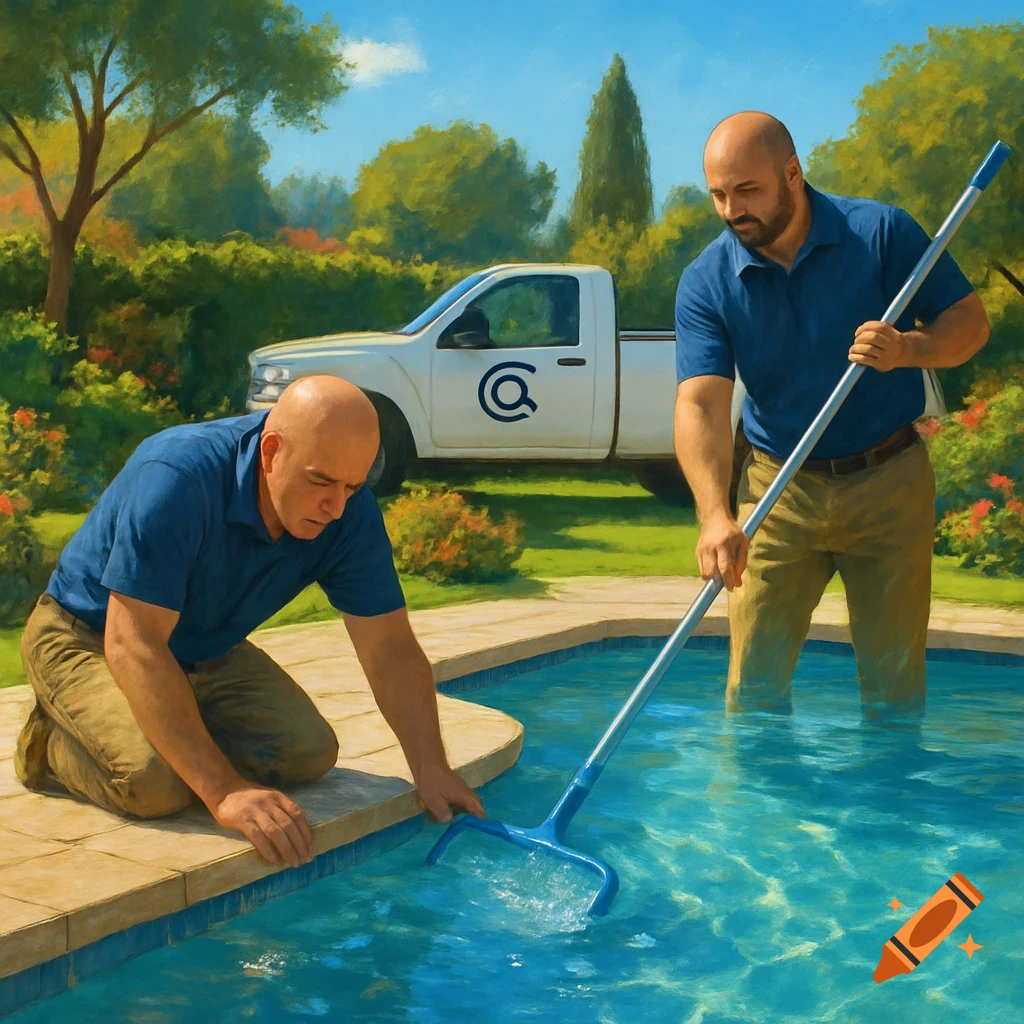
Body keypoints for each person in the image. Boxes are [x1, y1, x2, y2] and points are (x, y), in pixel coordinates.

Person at [14, 376, 484, 868]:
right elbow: (135, 643)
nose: (336, 507)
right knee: (153, 783)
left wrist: (430, 766)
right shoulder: (176, 477)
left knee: (307, 753)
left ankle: (166, 720)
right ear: (272, 450)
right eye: (321, 482)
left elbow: (389, 646)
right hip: (86, 634)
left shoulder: (347, 509)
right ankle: (49, 744)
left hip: (203, 647)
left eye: (353, 486)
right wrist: (224, 790)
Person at [674, 111, 990, 716]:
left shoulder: (882, 233)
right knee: (753, 690)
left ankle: (891, 778)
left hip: (888, 482)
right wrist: (714, 515)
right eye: (719, 194)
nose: (732, 211)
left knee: (894, 692)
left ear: (792, 174)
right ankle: (756, 781)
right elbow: (701, 402)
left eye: (748, 190)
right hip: (777, 492)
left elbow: (969, 325)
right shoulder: (707, 280)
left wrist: (908, 349)